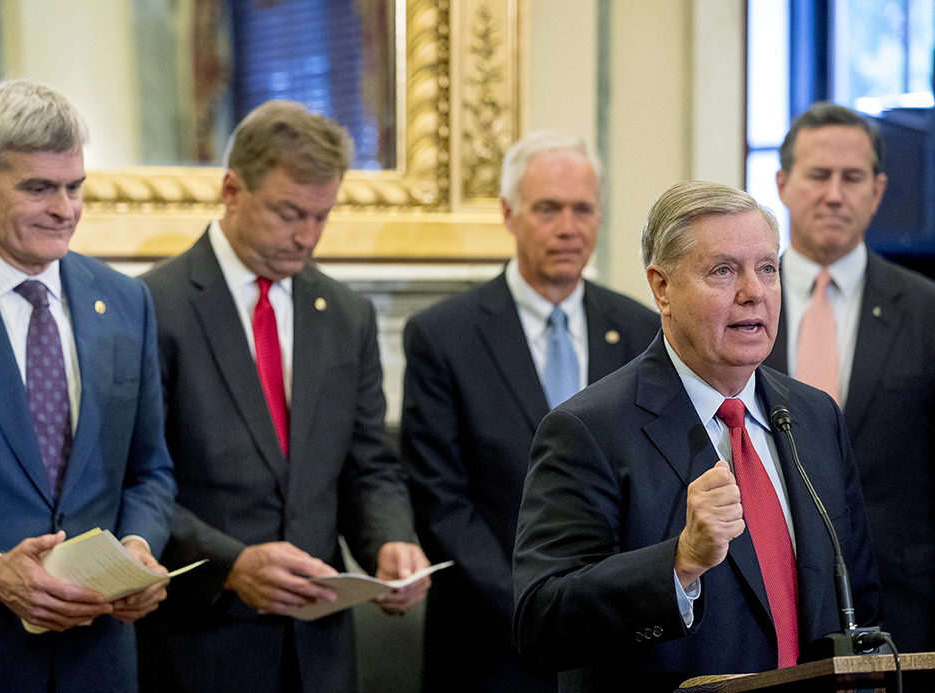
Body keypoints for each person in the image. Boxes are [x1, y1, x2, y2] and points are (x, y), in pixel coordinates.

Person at [512, 180, 882, 692]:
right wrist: (681, 561)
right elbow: (542, 624)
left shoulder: (814, 416)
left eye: (768, 269)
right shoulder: (588, 431)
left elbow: (858, 599)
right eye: (723, 271)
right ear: (662, 288)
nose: (753, 291)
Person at [135, 100, 430, 693]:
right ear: (231, 190)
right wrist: (231, 565)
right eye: (289, 213)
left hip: (318, 652)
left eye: (322, 216)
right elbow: (134, 477)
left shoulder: (346, 315)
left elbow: (368, 465)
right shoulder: (152, 306)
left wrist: (392, 540)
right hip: (198, 646)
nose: (307, 237)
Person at [0, 79, 176, 693]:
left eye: (75, 186)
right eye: (38, 188)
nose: (65, 209)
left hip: (97, 665)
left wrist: (136, 549)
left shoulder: (127, 302)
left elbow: (150, 472)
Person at [400, 130, 658, 692]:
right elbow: (441, 502)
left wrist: (613, 606)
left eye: (583, 209)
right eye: (548, 209)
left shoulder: (643, 330)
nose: (569, 227)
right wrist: (538, 611)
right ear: (509, 214)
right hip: (489, 647)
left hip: (619, 648)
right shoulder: (443, 336)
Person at [762, 101, 935, 654]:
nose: (834, 194)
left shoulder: (926, 309)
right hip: (770, 605)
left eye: (852, 178)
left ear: (877, 190)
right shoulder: (742, 307)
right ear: (784, 184)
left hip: (905, 607)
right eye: (818, 175)